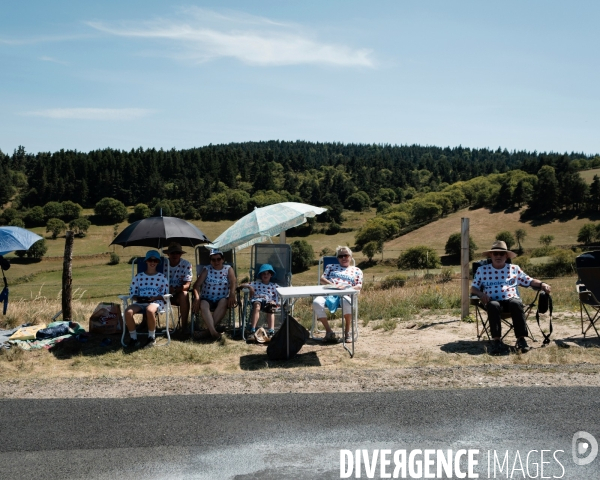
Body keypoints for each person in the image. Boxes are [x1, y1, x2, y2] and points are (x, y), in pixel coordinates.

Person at [471, 240, 551, 355]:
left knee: (516, 303)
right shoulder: (482, 270)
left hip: (511, 301)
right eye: (495, 253)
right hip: (492, 301)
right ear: (491, 255)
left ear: (507, 256)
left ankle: (521, 340)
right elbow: (474, 288)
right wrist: (481, 294)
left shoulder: (514, 269)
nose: (498, 256)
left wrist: (542, 284)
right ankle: (497, 341)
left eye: (501, 253)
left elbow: (529, 281)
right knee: (493, 305)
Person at [313, 246, 363, 343]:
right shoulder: (330, 267)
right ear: (337, 258)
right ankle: (329, 332)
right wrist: (334, 286)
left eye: (346, 255)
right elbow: (322, 279)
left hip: (346, 295)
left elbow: (359, 286)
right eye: (340, 256)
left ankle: (347, 332)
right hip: (328, 293)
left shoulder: (357, 270)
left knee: (346, 302)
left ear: (351, 257)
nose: (343, 258)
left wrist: (346, 289)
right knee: (316, 302)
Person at [125, 249, 169, 349]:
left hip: (156, 301)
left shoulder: (162, 277)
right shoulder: (138, 277)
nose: (153, 262)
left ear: (158, 262)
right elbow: (132, 292)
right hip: (141, 302)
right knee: (128, 312)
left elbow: (165, 294)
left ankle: (151, 338)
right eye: (150, 260)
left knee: (150, 310)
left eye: (155, 261)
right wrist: (138, 297)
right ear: (146, 261)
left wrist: (155, 297)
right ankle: (133, 339)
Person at [192, 249, 237, 340]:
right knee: (203, 304)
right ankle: (214, 333)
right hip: (207, 297)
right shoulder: (207, 269)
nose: (216, 261)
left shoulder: (228, 269)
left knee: (224, 301)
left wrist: (232, 294)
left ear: (223, 259)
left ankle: (207, 332)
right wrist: (197, 298)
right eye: (213, 260)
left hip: (222, 298)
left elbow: (233, 282)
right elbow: (196, 285)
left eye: (218, 259)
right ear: (210, 261)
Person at [238, 263, 279, 337]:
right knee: (257, 305)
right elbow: (241, 285)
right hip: (258, 299)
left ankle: (271, 331)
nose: (265, 275)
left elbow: (283, 291)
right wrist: (250, 288)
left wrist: (275, 302)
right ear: (260, 275)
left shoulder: (274, 285)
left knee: (271, 308)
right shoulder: (255, 283)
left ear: (271, 275)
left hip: (268, 301)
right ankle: (253, 329)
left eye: (268, 273)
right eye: (263, 273)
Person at [163, 242, 192, 332]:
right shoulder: (162, 263)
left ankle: (184, 327)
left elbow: (187, 284)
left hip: (178, 293)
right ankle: (146, 323)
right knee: (148, 293)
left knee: (184, 294)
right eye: (172, 253)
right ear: (168, 254)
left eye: (177, 253)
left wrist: (175, 289)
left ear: (180, 254)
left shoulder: (186, 264)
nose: (175, 255)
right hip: (162, 293)